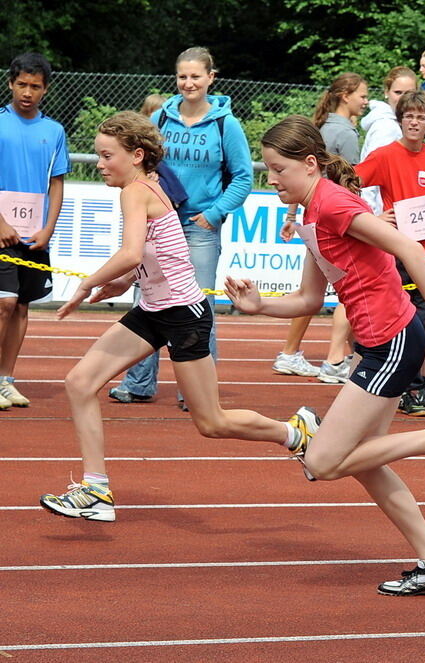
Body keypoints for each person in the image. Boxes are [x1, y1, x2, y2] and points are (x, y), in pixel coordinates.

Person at [225, 114, 425, 595]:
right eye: (266, 169)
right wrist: (258, 307)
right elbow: (307, 300)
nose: (271, 179)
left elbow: (410, 247)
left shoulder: (335, 205)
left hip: (395, 339)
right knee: (363, 463)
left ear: (309, 163)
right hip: (381, 342)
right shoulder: (310, 215)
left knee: (321, 462)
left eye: (278, 169)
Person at [39, 111, 316, 522]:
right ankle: (95, 489)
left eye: (106, 155)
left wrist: (87, 283)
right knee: (80, 382)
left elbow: (132, 251)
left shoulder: (136, 190)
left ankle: (295, 433)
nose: (99, 164)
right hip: (153, 310)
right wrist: (126, 281)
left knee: (211, 422)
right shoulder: (144, 186)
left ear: (136, 155)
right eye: (97, 156)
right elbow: (153, 253)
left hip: (183, 316)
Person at [110, 46, 253, 408]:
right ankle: (139, 383)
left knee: (197, 305)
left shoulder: (226, 124)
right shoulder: (160, 118)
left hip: (199, 227)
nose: (188, 83)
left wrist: (215, 213)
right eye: (182, 76)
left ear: (210, 78)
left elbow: (243, 178)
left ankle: (197, 392)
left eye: (195, 76)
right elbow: (140, 161)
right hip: (158, 224)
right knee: (148, 299)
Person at [354, 89, 425, 416]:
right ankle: (380, 384)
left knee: (421, 323)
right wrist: (373, 218)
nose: (414, 122)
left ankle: (410, 389)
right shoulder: (386, 155)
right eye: (409, 116)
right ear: (400, 119)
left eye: (421, 117)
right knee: (392, 320)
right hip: (393, 253)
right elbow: (347, 182)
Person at [274, 73, 369, 382]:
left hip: (315, 218)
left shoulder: (322, 128)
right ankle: (337, 359)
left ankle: (294, 352)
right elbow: (350, 185)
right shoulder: (346, 134)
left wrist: (291, 217)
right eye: (362, 96)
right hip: (335, 223)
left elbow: (298, 179)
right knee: (347, 290)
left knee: (311, 291)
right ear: (345, 96)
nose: (365, 101)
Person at [0, 53, 70, 410]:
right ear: (11, 84)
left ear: (46, 90)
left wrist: (48, 228)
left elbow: (56, 184)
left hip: (34, 236)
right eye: (22, 84)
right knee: (4, 303)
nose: (28, 92)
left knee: (22, 306)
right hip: (0, 232)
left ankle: (6, 379)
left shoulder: (54, 131)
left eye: (36, 86)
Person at [359, 66, 418, 215]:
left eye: (409, 93)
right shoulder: (386, 127)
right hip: (384, 215)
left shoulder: (402, 125)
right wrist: (373, 218)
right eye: (398, 92)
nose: (403, 97)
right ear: (386, 92)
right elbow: (367, 178)